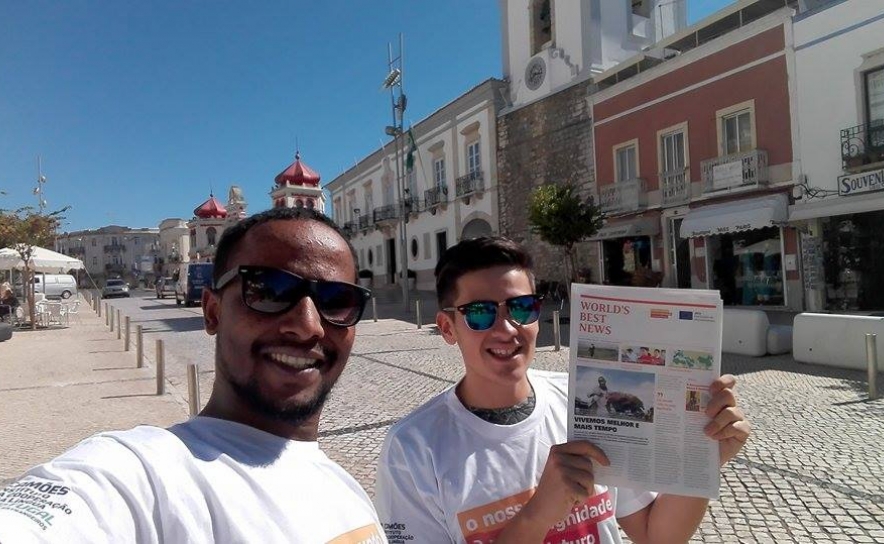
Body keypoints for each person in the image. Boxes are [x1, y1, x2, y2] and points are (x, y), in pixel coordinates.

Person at [0, 207, 386, 542]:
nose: (308, 326)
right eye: (269, 290)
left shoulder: (345, 487)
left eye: (337, 300)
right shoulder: (147, 477)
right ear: (213, 312)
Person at [375, 236, 750, 543]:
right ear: (446, 328)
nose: (506, 329)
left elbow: (657, 537)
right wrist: (539, 513)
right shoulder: (413, 448)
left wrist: (704, 459)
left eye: (521, 308)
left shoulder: (579, 406)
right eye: (479, 313)